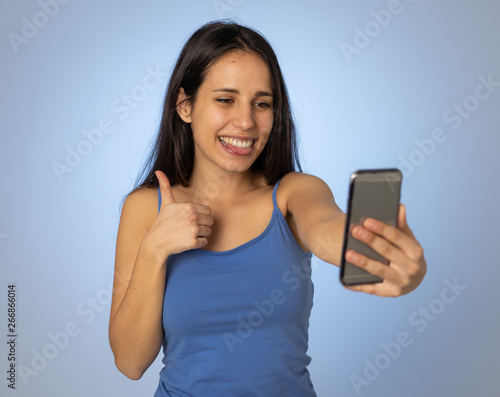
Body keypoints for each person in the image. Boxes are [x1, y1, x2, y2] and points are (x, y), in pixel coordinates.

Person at [108, 21, 426, 396]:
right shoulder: (146, 208)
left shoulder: (293, 192)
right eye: (225, 99)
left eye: (262, 103)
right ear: (185, 105)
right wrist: (155, 248)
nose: (246, 122)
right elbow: (130, 363)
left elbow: (325, 227)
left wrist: (380, 253)